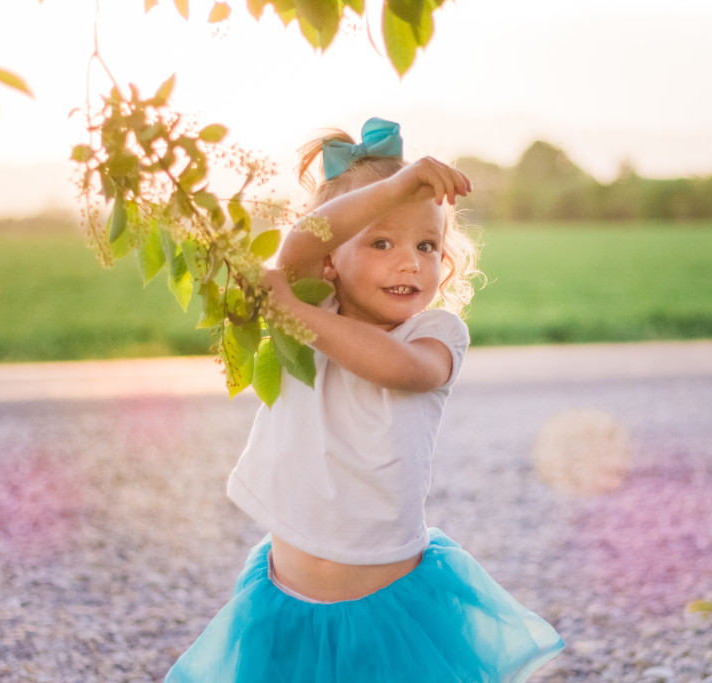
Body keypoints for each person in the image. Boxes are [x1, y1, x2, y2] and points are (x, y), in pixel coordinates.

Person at [165, 118, 564, 682]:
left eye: (427, 245)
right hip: (283, 603)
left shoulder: (434, 335)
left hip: (390, 610)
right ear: (332, 261)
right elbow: (301, 244)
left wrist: (294, 313)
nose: (409, 262)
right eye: (382, 242)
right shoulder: (314, 309)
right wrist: (394, 189)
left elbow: (400, 371)